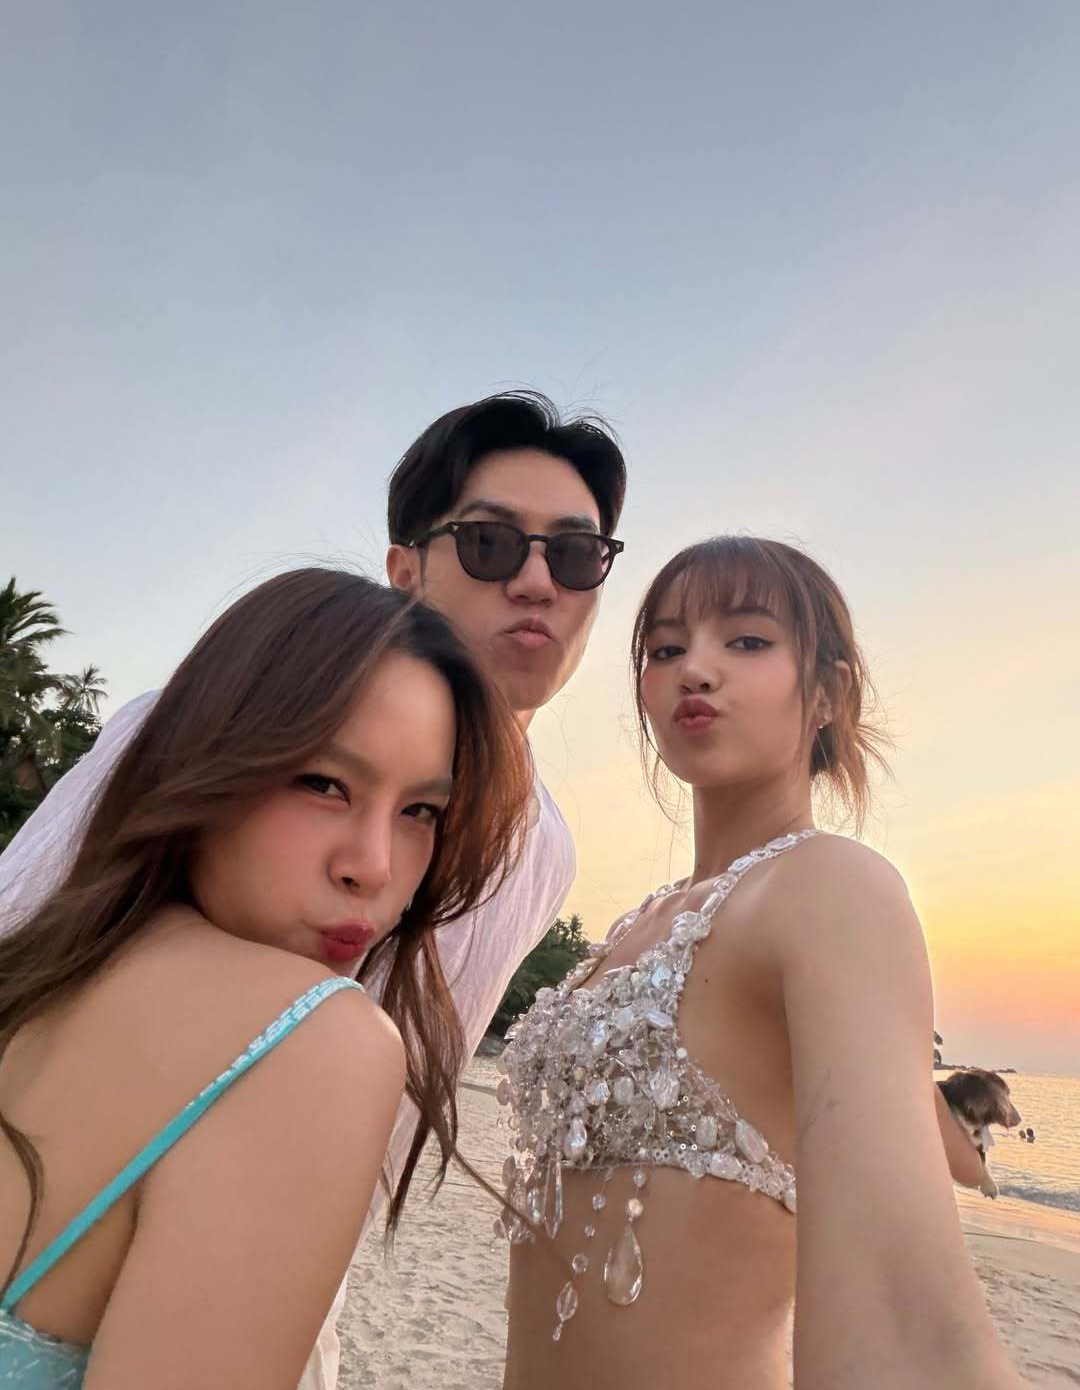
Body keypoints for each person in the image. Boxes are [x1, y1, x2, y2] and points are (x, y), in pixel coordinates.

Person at [0, 391, 629, 1389]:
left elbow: (407, 1089)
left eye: (577, 555)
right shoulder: (185, 720)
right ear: (404, 569)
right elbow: (35, 929)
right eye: (492, 544)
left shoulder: (539, 846)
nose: (538, 581)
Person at [500, 536, 1021, 1390]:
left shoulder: (829, 888)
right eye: (665, 649)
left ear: (827, 693)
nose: (695, 671)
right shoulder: (645, 920)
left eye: (746, 641)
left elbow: (902, 1312)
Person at [0, 568, 530, 1388]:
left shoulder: (41, 975)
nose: (374, 866)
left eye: (420, 812)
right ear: (209, 761)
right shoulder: (315, 1039)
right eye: (322, 784)